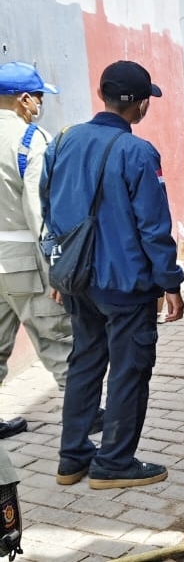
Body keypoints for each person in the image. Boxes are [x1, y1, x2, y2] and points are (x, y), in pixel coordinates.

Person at [42, 60, 184, 490]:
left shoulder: (63, 140)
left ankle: (73, 459)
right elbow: (153, 227)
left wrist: (56, 270)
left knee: (85, 362)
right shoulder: (138, 152)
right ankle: (115, 463)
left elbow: (48, 211)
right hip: (126, 285)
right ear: (140, 105)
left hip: (78, 279)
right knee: (129, 369)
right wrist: (170, 282)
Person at [0, 62, 104, 440]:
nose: (40, 104)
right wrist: (56, 270)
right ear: (24, 99)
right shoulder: (30, 139)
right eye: (39, 97)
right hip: (25, 262)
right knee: (58, 340)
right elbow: (37, 207)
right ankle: (86, 416)